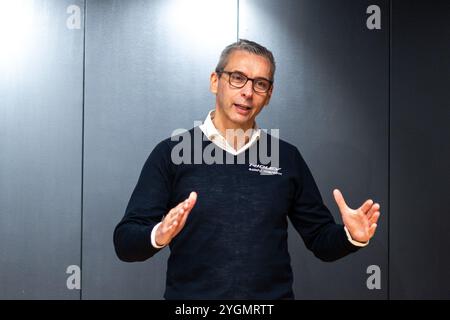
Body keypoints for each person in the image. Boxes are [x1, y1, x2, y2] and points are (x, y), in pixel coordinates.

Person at [113, 39, 381, 299]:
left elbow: (321, 239)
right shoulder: (172, 153)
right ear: (215, 81)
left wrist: (350, 236)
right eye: (237, 78)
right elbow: (125, 242)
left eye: (260, 84)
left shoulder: (286, 158)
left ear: (269, 95)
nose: (248, 92)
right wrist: (158, 234)